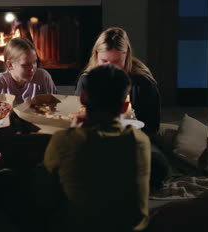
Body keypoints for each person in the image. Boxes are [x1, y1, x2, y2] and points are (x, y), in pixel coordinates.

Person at [39, 65, 151, 231]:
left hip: (78, 227)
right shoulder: (141, 141)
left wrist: (73, 132)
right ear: (123, 107)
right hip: (132, 228)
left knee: (4, 178)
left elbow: (44, 191)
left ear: (83, 99)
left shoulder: (65, 141)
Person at [75, 27, 169, 189]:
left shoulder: (142, 83)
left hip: (133, 140)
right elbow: (79, 117)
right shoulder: (87, 80)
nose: (110, 68)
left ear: (127, 56)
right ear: (96, 57)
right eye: (104, 62)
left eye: (117, 62)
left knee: (158, 165)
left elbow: (152, 127)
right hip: (96, 140)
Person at [0, 37, 57, 105]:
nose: (32, 69)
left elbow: (54, 108)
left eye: (34, 62)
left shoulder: (43, 78)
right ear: (10, 65)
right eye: (26, 65)